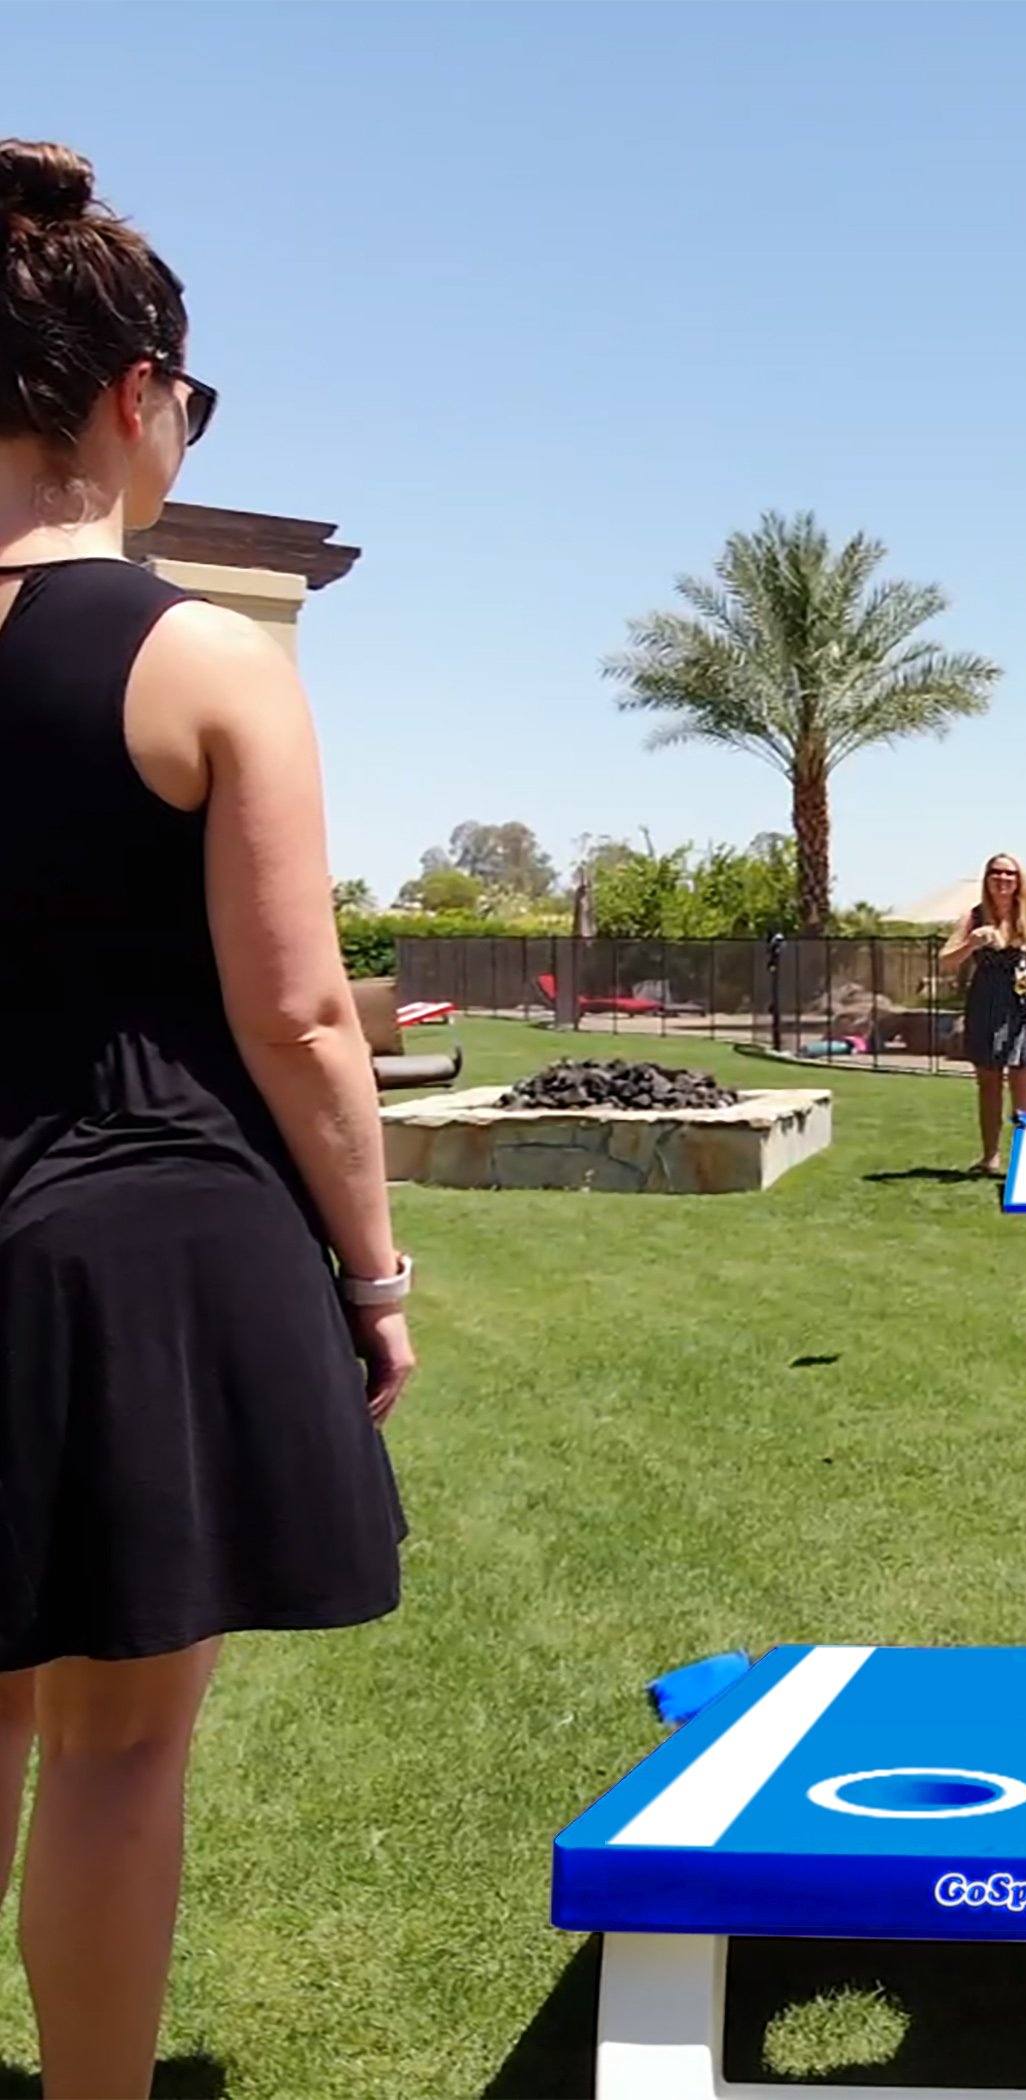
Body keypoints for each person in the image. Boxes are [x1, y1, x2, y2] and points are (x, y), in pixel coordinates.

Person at [0, 141, 409, 2098]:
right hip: (133, 1247)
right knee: (118, 1741)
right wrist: (377, 1275)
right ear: (138, 395)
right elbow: (303, 1013)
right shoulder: (204, 659)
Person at [940, 855, 1026, 1175]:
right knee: (989, 1082)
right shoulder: (974, 917)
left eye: (1010, 873)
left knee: (1024, 1083)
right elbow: (946, 961)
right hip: (987, 1003)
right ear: (986, 879)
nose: (1003, 878)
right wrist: (970, 944)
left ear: (1019, 880)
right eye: (995, 873)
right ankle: (990, 1157)